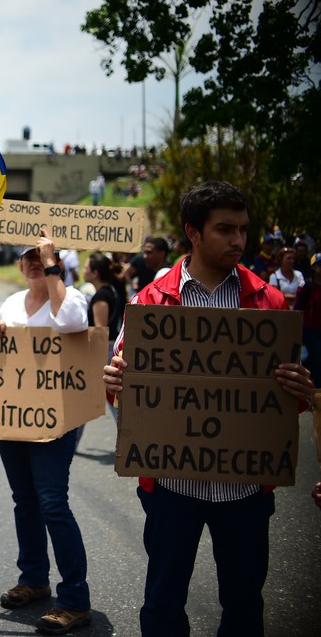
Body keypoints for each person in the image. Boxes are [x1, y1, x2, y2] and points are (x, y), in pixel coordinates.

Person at [102, 181, 313, 637]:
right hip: (172, 485)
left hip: (244, 490)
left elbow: (281, 406)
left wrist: (300, 389)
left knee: (243, 603)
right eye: (225, 230)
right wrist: (115, 381)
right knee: (162, 602)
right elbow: (121, 386)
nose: (238, 240)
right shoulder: (149, 303)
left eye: (243, 230)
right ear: (193, 233)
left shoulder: (270, 304)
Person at [0, 230, 92, 635]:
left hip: (56, 418)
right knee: (24, 499)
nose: (33, 261)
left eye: (40, 256)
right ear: (18, 264)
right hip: (12, 415)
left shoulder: (71, 296)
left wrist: (53, 267)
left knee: (52, 502)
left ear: (53, 261)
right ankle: (34, 578)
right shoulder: (12, 302)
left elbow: (70, 323)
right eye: (27, 256)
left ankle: (75, 600)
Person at [294, 254, 321, 388]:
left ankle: (305, 371)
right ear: (314, 267)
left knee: (317, 357)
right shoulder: (307, 285)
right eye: (319, 265)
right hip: (309, 328)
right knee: (318, 354)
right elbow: (298, 308)